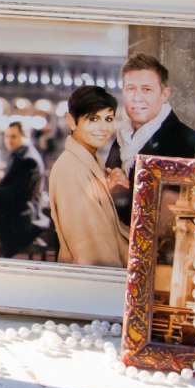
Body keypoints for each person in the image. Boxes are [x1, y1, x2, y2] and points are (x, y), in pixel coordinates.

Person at [106, 55, 195, 216]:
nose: (137, 97)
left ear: (164, 94)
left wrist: (123, 193)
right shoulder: (122, 138)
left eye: (146, 89)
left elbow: (189, 215)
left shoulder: (191, 144)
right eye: (130, 89)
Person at [47, 86, 129, 267]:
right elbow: (92, 251)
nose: (103, 128)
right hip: (96, 284)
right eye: (93, 119)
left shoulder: (90, 161)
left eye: (108, 119)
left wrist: (111, 191)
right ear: (71, 121)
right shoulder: (71, 169)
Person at [0, 121, 48, 258]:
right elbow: (10, 186)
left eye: (14, 137)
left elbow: (16, 193)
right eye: (7, 136)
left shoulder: (27, 159)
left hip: (22, 218)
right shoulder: (23, 154)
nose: (9, 140)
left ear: (25, 136)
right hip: (17, 212)